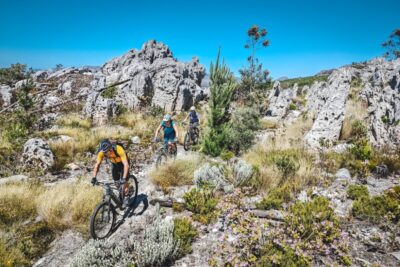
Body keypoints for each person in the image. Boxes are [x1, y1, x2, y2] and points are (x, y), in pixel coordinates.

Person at [92, 139, 130, 208]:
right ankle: (121, 191)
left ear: (110, 148)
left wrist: (124, 179)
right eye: (104, 152)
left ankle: (127, 196)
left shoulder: (119, 149)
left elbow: (126, 164)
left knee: (124, 182)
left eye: (106, 152)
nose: (105, 153)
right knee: (116, 182)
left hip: (123, 164)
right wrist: (94, 177)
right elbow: (97, 164)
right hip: (114, 164)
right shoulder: (102, 152)